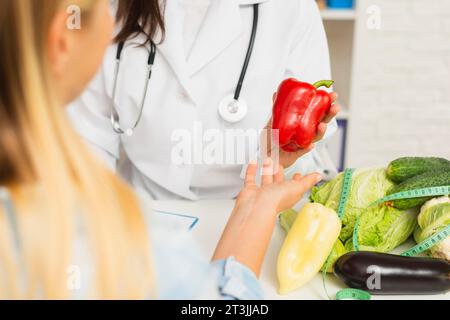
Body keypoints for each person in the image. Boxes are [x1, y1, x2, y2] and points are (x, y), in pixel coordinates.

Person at [0, 0, 322, 299]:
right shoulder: (139, 249)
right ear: (62, 38)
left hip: (221, 217)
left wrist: (257, 193)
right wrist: (258, 211)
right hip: (158, 216)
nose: (109, 15)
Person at [68, 0, 339, 200]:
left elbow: (299, 143)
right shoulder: (107, 8)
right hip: (141, 210)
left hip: (249, 209)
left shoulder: (291, 8)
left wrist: (273, 159)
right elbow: (88, 136)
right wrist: (95, 219)